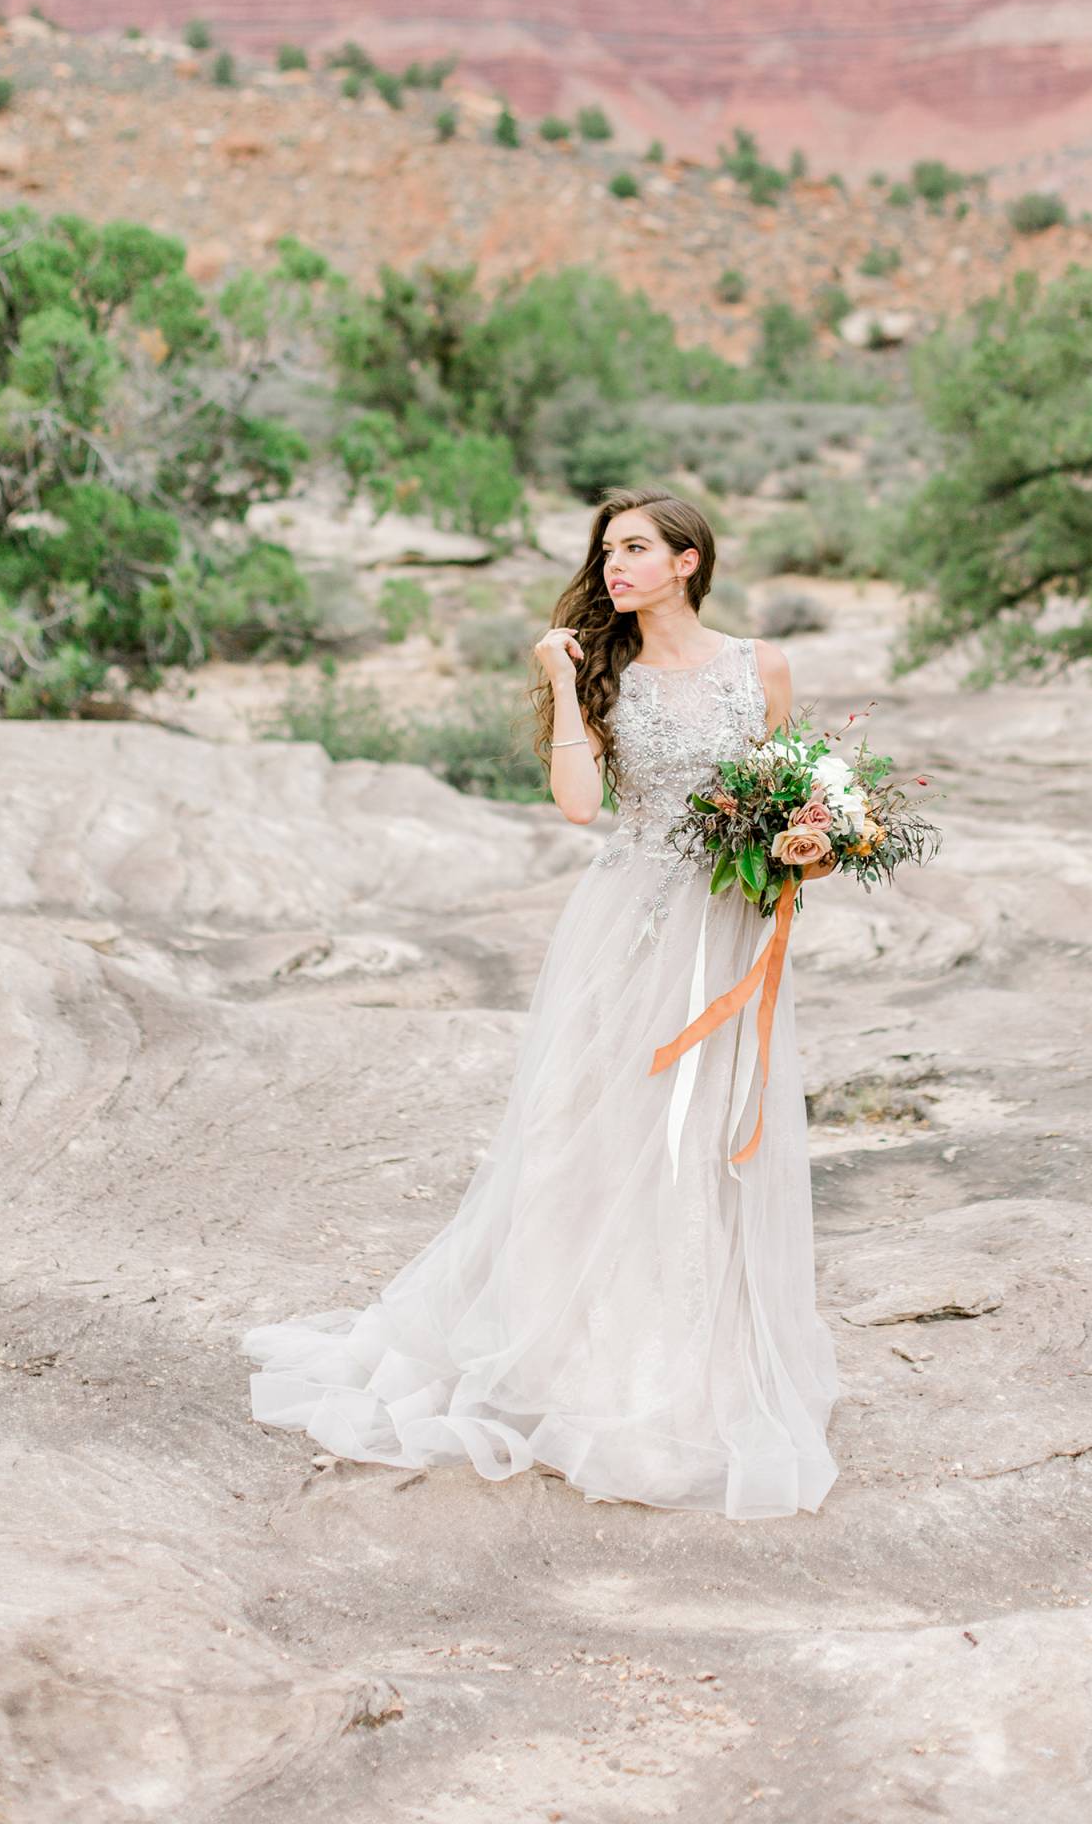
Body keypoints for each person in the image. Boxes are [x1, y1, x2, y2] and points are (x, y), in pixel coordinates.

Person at [241, 487, 840, 1517]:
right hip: (632, 924)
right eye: (608, 551)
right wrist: (561, 683)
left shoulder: (761, 667)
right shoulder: (612, 674)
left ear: (688, 561)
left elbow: (786, 788)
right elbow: (576, 805)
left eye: (637, 550)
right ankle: (587, 1358)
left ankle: (705, 1360)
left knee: (709, 1131)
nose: (615, 567)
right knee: (601, 1130)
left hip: (726, 926)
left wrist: (811, 840)